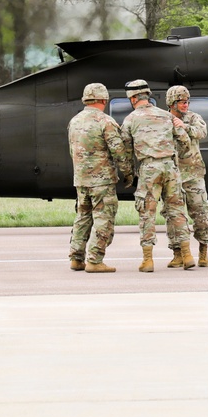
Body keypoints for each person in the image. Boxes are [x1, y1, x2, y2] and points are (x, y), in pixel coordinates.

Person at [120, 79, 195, 272]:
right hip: (170, 167)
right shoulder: (166, 116)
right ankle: (187, 255)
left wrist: (128, 175)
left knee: (147, 214)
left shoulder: (130, 119)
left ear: (133, 98)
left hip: (149, 169)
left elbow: (125, 152)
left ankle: (148, 260)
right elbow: (185, 141)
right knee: (177, 211)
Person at [67, 82, 132, 273]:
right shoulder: (106, 121)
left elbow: (73, 150)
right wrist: (128, 173)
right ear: (104, 99)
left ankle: (76, 258)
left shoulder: (75, 121)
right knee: (104, 218)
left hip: (81, 179)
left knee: (83, 217)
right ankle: (95, 260)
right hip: (101, 180)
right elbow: (119, 152)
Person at [166, 85, 208, 267]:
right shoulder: (164, 119)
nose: (185, 105)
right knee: (173, 216)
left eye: (187, 102)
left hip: (193, 175)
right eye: (181, 102)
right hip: (172, 175)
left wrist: (184, 126)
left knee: (200, 213)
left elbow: (202, 132)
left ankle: (203, 250)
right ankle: (178, 253)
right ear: (172, 103)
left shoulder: (193, 118)